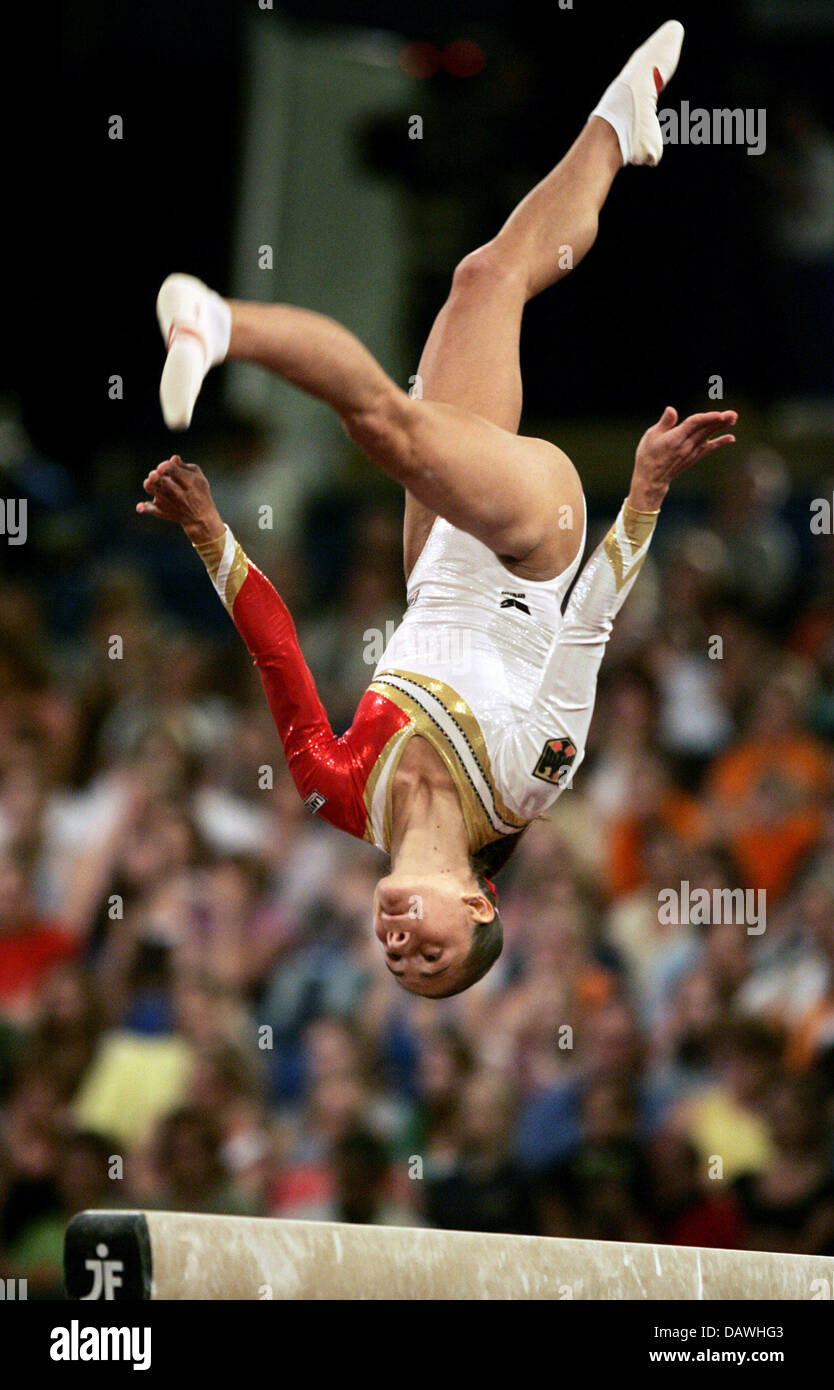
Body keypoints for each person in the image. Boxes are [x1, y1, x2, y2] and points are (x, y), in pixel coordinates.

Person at [139, 21, 737, 998]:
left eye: (394, 959)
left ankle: (613, 129)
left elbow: (280, 655)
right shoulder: (526, 779)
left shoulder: (341, 795)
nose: (398, 942)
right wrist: (647, 492)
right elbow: (588, 627)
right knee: (393, 433)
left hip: (438, 564)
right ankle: (218, 321)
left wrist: (213, 536)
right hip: (533, 542)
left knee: (485, 279)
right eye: (430, 951)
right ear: (479, 906)